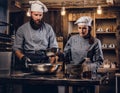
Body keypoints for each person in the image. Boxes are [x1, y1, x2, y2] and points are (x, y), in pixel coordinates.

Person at [12, 1, 58, 93]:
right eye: (36, 15)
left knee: (49, 89)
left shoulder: (48, 29)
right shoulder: (22, 29)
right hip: (29, 62)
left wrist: (51, 64)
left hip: (44, 61)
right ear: (31, 14)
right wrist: (23, 58)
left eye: (40, 15)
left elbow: (53, 48)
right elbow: (17, 48)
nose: (38, 18)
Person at [64, 16, 104, 93]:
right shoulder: (72, 39)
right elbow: (66, 55)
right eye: (79, 28)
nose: (81, 31)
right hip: (74, 75)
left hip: (89, 76)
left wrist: (88, 67)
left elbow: (99, 61)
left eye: (84, 28)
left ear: (89, 28)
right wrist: (59, 55)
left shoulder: (96, 42)